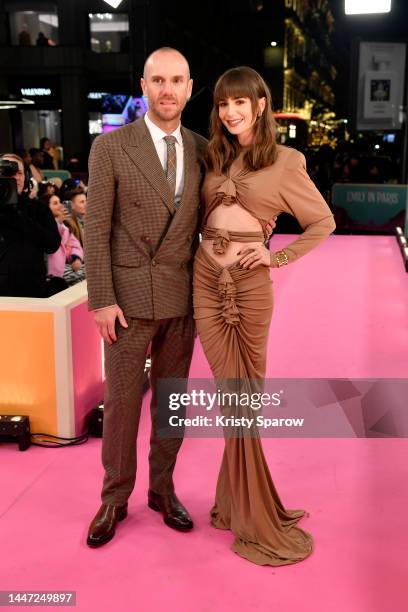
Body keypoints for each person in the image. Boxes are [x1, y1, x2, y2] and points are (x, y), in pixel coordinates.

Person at [193, 66, 336, 566]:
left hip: (251, 288)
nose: (230, 112)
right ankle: (239, 502)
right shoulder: (212, 155)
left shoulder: (285, 160)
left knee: (243, 401)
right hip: (206, 283)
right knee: (228, 395)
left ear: (260, 105)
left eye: (240, 102)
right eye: (222, 104)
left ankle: (247, 508)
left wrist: (276, 257)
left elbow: (323, 221)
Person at [83, 47, 209, 548]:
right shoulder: (111, 147)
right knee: (121, 405)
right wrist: (100, 299)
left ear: (190, 86)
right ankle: (114, 498)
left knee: (171, 405)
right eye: (158, 80)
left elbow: (212, 219)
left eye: (176, 80)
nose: (167, 90)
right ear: (143, 86)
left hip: (184, 298)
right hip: (127, 301)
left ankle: (162, 490)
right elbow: (95, 229)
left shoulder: (204, 148)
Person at [0, 153, 61, 297]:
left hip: (32, 295)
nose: (14, 177)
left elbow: (52, 245)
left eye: (19, 173)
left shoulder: (39, 209)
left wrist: (20, 216)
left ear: (26, 177)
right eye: (6, 173)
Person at [43, 193, 84, 285]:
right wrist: (58, 221)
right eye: (55, 203)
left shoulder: (64, 226)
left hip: (62, 270)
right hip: (49, 274)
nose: (60, 205)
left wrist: (76, 258)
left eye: (59, 202)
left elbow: (75, 244)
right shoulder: (42, 224)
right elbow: (51, 237)